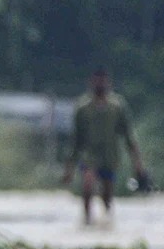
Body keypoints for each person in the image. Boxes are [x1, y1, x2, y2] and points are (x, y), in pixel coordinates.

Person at [62, 68, 145, 224]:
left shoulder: (117, 107)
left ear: (108, 83)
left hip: (110, 156)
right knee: (87, 186)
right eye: (97, 81)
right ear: (91, 83)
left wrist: (138, 165)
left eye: (103, 81)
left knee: (107, 195)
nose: (100, 84)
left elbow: (129, 136)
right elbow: (75, 140)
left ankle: (107, 222)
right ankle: (86, 221)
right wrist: (69, 168)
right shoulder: (83, 108)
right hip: (89, 155)